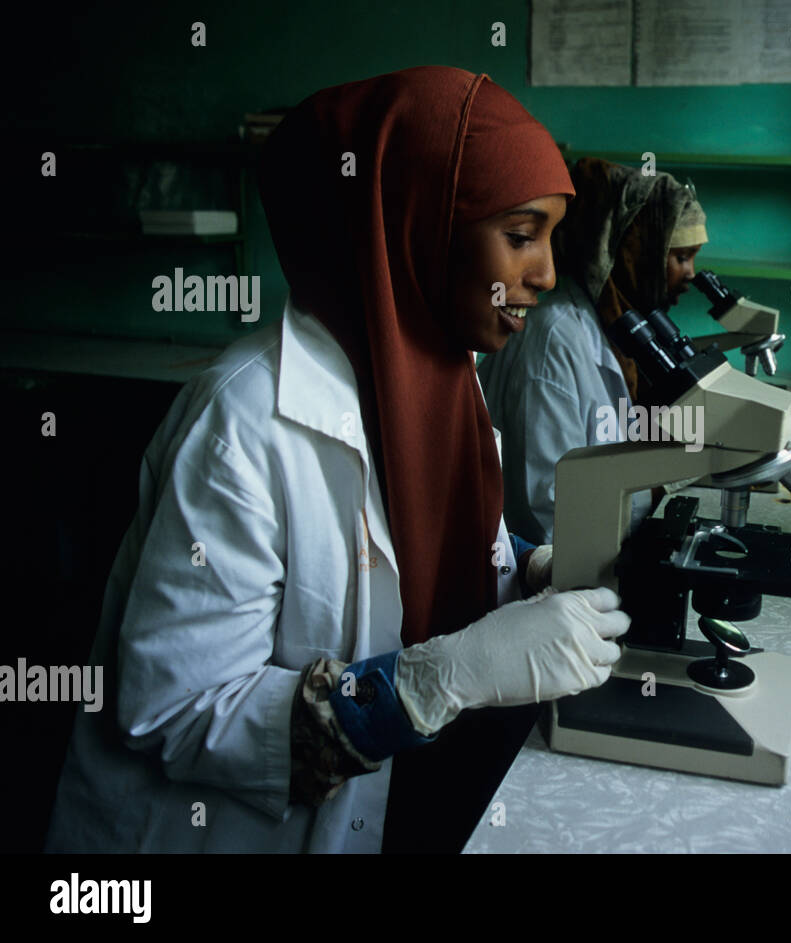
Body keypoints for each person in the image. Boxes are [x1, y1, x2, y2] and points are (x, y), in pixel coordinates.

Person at [43, 67, 629, 854]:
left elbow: (415, 559)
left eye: (554, 238)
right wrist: (434, 682)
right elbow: (176, 709)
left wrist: (524, 571)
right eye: (521, 235)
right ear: (415, 224)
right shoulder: (244, 419)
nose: (548, 274)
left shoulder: (448, 386)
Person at [478, 158, 708, 545]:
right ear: (635, 252)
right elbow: (549, 508)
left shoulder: (615, 327)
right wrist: (662, 482)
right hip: (553, 571)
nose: (691, 274)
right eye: (680, 257)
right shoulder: (557, 341)